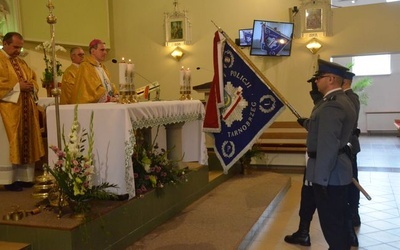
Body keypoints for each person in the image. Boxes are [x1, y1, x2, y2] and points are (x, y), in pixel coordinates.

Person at [295, 59, 357, 249]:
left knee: (332, 225)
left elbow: (328, 145)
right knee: (338, 220)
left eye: (319, 78)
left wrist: (320, 180)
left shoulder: (332, 105)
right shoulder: (339, 100)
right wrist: (306, 123)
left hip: (330, 175)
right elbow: (320, 128)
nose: (316, 81)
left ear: (330, 79)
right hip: (336, 170)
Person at [0, 32, 45, 191]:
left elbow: (32, 78)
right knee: (10, 144)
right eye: (15, 47)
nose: (18, 51)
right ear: (5, 43)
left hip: (25, 107)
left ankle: (25, 178)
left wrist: (32, 85)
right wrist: (19, 87)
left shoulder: (22, 62)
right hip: (7, 110)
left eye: (20, 47)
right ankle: (9, 180)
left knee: (27, 141)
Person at [71, 39, 118, 103]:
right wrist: (108, 98)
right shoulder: (85, 66)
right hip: (91, 107)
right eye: (102, 50)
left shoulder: (102, 67)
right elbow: (92, 88)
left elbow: (108, 84)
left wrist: (116, 94)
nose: (105, 53)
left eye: (105, 50)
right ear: (93, 51)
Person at [343, 71, 362, 227]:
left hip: (348, 147)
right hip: (346, 146)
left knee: (351, 181)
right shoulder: (346, 97)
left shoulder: (350, 97)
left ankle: (354, 213)